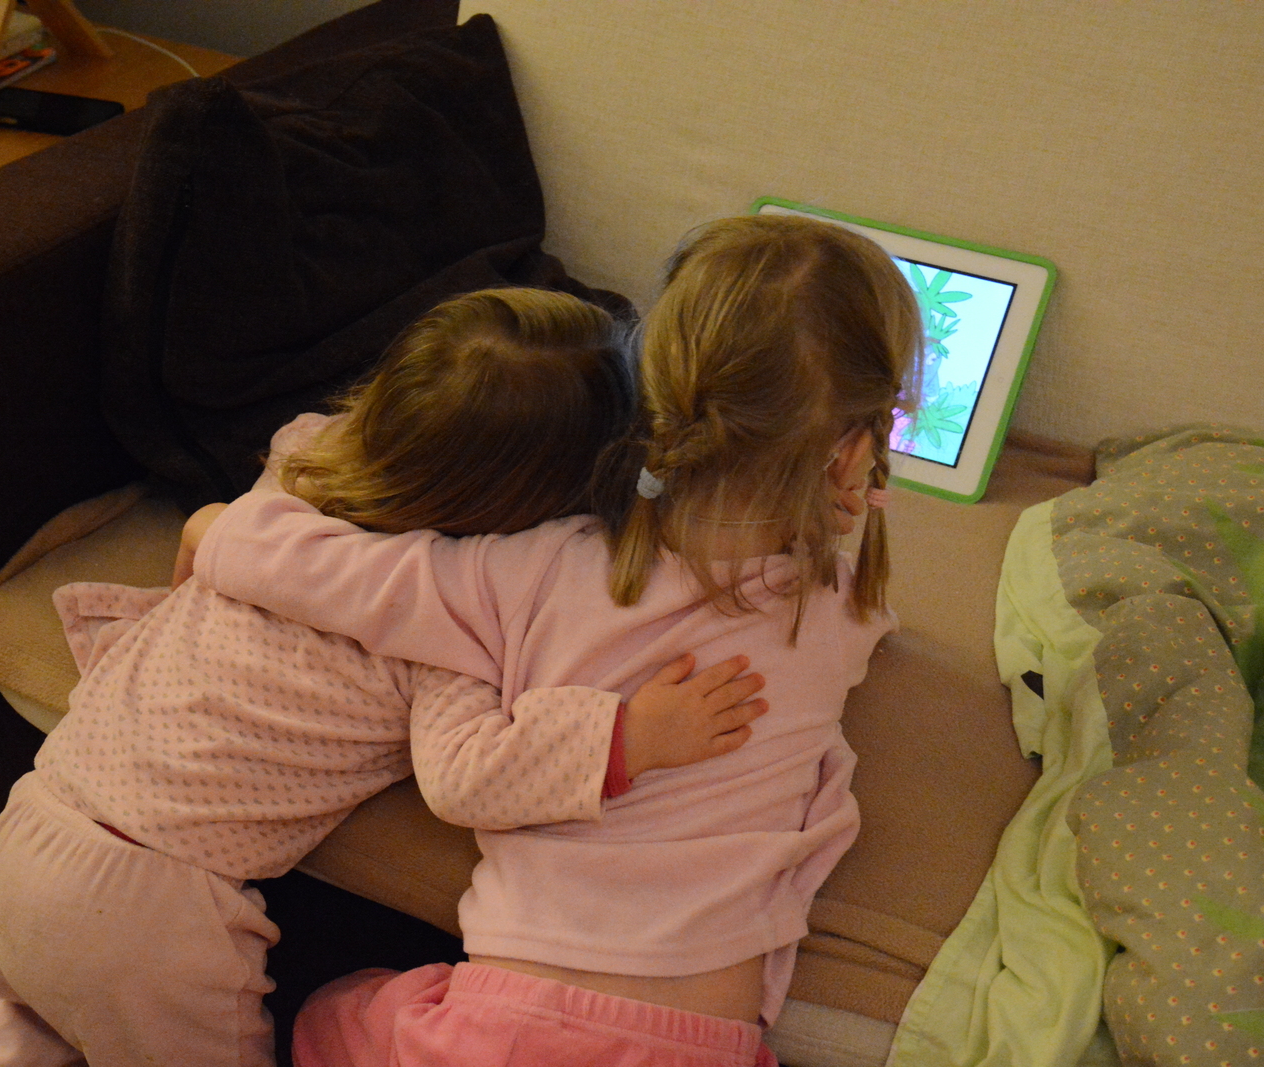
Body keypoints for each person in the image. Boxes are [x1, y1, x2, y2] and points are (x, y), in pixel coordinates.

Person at [0, 289, 769, 1067]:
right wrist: (630, 738)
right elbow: (470, 776)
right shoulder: (441, 624)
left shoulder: (302, 460)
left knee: (29, 1017)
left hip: (36, 821)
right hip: (152, 906)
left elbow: (208, 535)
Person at [186, 214, 924, 1067]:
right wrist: (832, 504)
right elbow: (858, 598)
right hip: (707, 1044)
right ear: (854, 454)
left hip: (509, 1031)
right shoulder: (841, 611)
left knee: (327, 1016)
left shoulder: (532, 564)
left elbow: (319, 572)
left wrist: (212, 529)